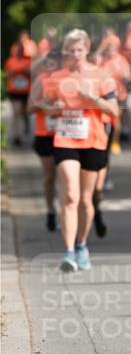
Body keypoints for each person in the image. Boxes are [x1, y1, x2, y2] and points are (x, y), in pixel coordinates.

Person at [32, 28, 119, 272]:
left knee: (85, 199)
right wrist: (53, 107)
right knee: (70, 194)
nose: (75, 55)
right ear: (66, 53)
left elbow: (114, 110)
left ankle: (81, 244)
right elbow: (42, 106)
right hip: (65, 140)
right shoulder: (56, 77)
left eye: (79, 50)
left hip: (93, 140)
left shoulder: (102, 76)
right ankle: (68, 252)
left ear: (87, 50)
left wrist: (93, 99)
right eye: (71, 51)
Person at [27, 47, 61, 230]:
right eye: (49, 64)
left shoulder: (67, 80)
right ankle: (50, 210)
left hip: (66, 135)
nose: (52, 67)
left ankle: (67, 213)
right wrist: (44, 105)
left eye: (56, 63)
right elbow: (29, 109)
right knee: (49, 176)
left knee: (66, 178)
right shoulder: (41, 81)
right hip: (45, 135)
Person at [97, 43, 131, 154]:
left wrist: (122, 74)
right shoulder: (102, 61)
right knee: (102, 119)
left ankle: (115, 143)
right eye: (108, 50)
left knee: (116, 119)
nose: (110, 52)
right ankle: (102, 141)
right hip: (104, 94)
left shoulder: (121, 60)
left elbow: (128, 76)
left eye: (112, 50)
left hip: (119, 94)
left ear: (116, 50)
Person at [4, 37, 32, 145]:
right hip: (14, 90)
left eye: (21, 49)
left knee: (24, 113)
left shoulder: (28, 60)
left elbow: (33, 73)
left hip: (26, 91)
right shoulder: (10, 61)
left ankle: (25, 129)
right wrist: (12, 72)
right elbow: (6, 74)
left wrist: (25, 71)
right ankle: (17, 135)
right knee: (17, 112)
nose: (19, 51)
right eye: (17, 49)